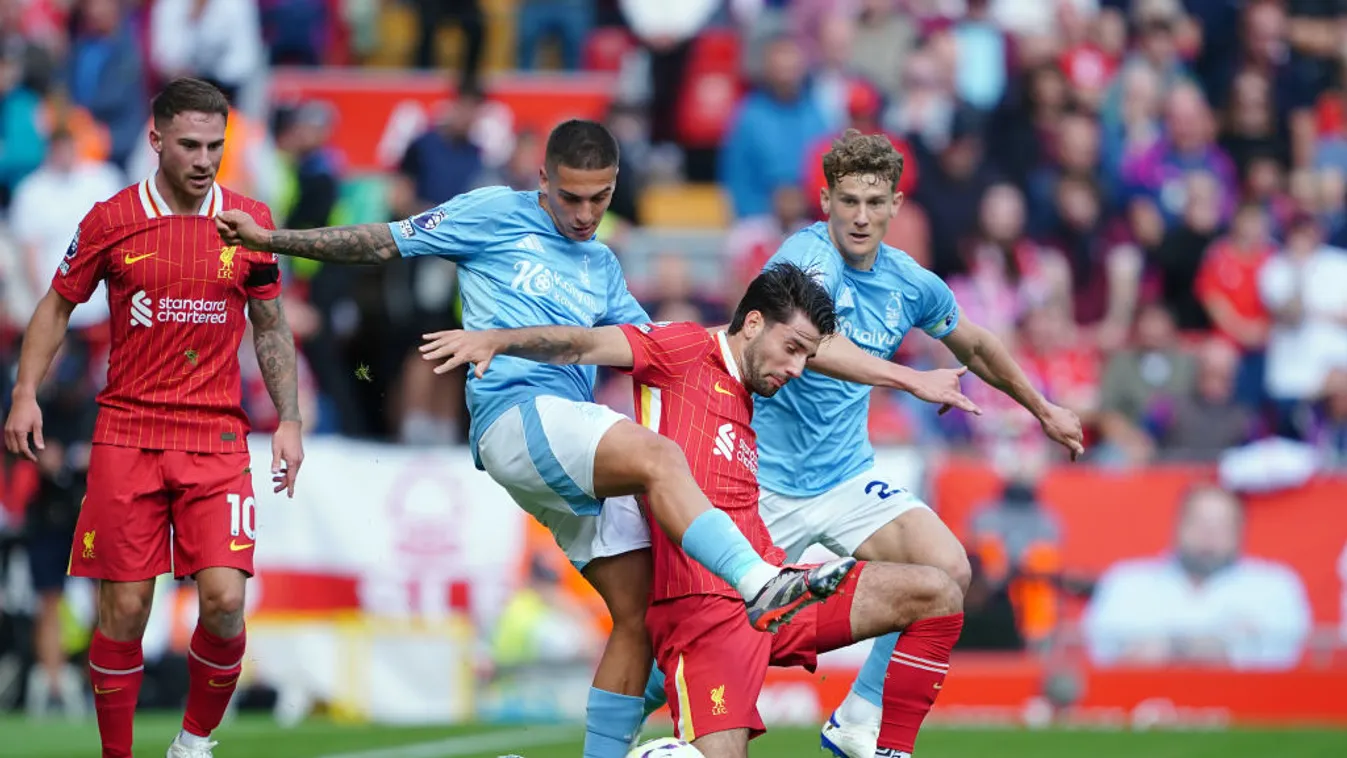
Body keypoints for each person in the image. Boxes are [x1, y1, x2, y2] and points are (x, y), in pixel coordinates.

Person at [214, 120, 873, 758]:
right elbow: (382, 241)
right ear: (542, 180)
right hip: (516, 415)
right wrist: (274, 240)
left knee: (640, 614)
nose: (585, 214)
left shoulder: (602, 266)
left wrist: (846, 365)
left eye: (600, 198)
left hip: (564, 443)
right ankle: (759, 582)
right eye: (571, 197)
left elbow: (659, 348)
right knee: (659, 458)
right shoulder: (492, 213)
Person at [420, 262, 965, 758]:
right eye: (793, 348)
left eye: (807, 355)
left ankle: (882, 746)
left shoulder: (749, 397)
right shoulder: (682, 349)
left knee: (937, 593)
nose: (798, 368)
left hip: (777, 591)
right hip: (704, 615)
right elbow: (582, 344)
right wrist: (497, 341)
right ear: (753, 323)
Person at [757, 129, 1085, 757]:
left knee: (946, 569)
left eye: (874, 203)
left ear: (896, 205)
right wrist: (911, 379)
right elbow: (809, 342)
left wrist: (1042, 408)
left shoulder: (908, 281)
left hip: (845, 478)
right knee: (697, 642)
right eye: (848, 201)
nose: (861, 217)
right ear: (825, 201)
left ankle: (860, 721)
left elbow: (976, 346)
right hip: (763, 482)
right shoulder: (804, 257)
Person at [3, 77, 305, 758]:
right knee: (126, 608)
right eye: (190, 145)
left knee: (224, 601)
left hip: (216, 437)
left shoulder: (249, 221)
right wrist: (25, 392)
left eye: (215, 146)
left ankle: (192, 744)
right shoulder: (112, 219)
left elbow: (270, 323)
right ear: (156, 139)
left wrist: (288, 417)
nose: (204, 160)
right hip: (127, 433)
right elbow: (56, 305)